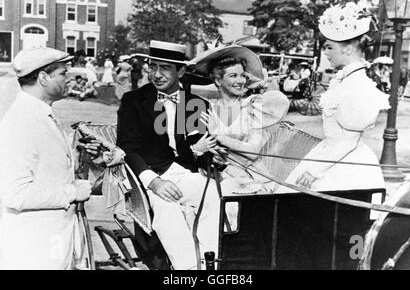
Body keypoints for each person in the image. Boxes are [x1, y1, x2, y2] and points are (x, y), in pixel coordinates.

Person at [117, 40, 222, 270]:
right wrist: (153, 182)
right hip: (149, 175)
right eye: (153, 67)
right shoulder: (134, 101)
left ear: (181, 71)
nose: (156, 74)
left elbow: (195, 151)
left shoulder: (195, 104)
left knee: (213, 194)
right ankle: (187, 271)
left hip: (183, 172)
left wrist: (209, 155)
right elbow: (128, 149)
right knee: (167, 209)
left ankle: (209, 266)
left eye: (165, 68)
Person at [0, 47, 94, 269]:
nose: (68, 77)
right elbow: (16, 194)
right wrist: (72, 191)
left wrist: (75, 150)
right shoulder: (20, 122)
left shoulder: (39, 112)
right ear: (43, 78)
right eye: (62, 73)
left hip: (51, 243)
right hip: (34, 249)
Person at [285, 2, 390, 192]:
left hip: (345, 165)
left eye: (329, 47)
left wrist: (316, 171)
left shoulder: (358, 85)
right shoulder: (344, 80)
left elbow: (349, 140)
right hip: (329, 153)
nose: (325, 52)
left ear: (347, 49)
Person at [193, 45, 290, 195]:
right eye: (233, 76)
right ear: (218, 81)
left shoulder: (252, 107)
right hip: (221, 175)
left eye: (243, 75)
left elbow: (253, 151)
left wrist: (218, 136)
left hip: (252, 177)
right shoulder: (209, 110)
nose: (240, 81)